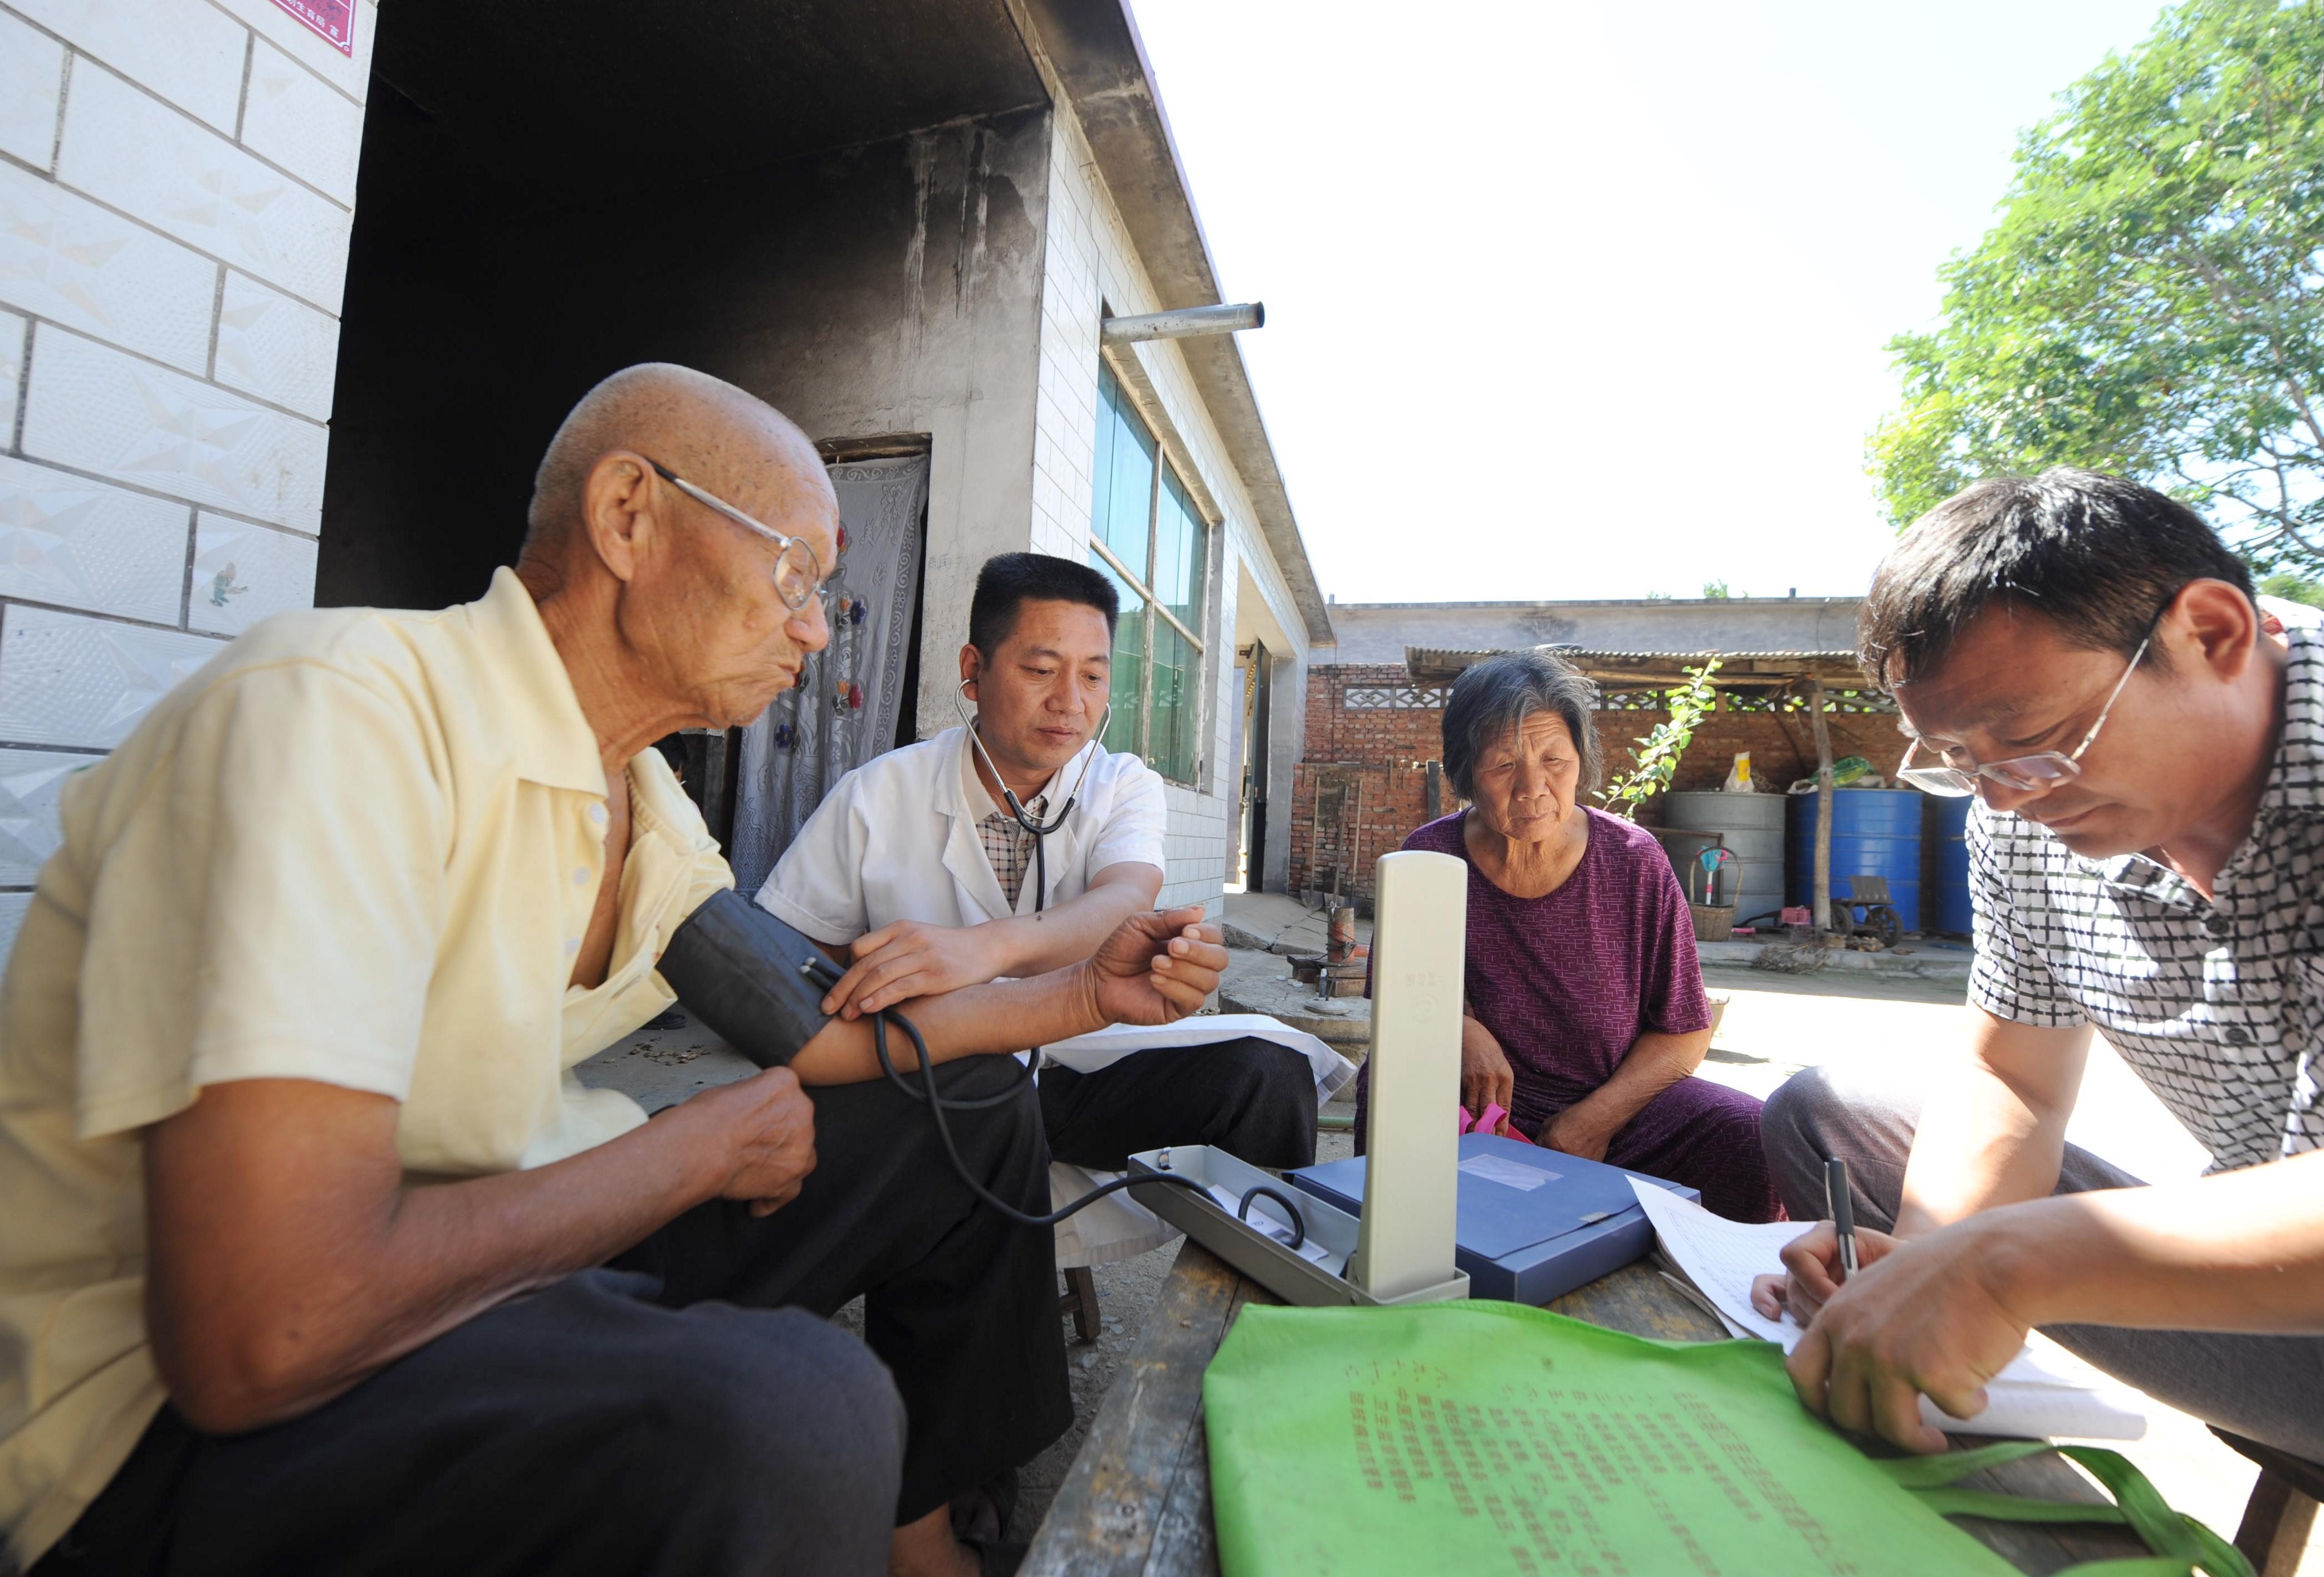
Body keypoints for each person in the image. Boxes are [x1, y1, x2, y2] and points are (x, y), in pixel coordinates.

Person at [0, 364, 1229, 1577]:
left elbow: (813, 1035)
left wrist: (1077, 997)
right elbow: (266, 1333)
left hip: (479, 1274)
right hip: (173, 1434)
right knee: (798, 1411)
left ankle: (926, 1533)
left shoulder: (638, 796)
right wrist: (687, 1153)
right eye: (792, 573)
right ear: (628, 514)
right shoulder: (339, 717)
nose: (814, 626)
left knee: (964, 1107)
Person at [1754, 468, 2324, 1459]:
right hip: (2264, 1276)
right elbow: (2008, 1077)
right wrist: (1921, 1265)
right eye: (1957, 761)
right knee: (1830, 1111)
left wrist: (1998, 1269)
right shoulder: (2018, 817)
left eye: (2035, 744)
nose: (2006, 799)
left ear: (2212, 635)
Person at [759, 552, 1320, 1174]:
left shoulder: (1121, 784)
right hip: (936, 1092)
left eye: (1093, 678)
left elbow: (1125, 899)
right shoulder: (876, 795)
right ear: (974, 671)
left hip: (1078, 1072)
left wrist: (979, 952)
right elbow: (789, 961)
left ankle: (1253, 1266)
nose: (1070, 703)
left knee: (1268, 1076)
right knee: (974, 1108)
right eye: (1041, 669)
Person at [1353, 649, 1780, 1223]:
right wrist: (1458, 1027)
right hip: (1479, 1113)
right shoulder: (1430, 858)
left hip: (1619, 1117)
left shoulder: (1633, 861)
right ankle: (1395, 1262)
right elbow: (1398, 999)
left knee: (1749, 1135)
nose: (1534, 787)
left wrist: (1592, 1122)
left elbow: (1684, 1033)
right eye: (1505, 765)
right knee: (1386, 1087)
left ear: (1581, 761)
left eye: (1554, 759)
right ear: (1466, 772)